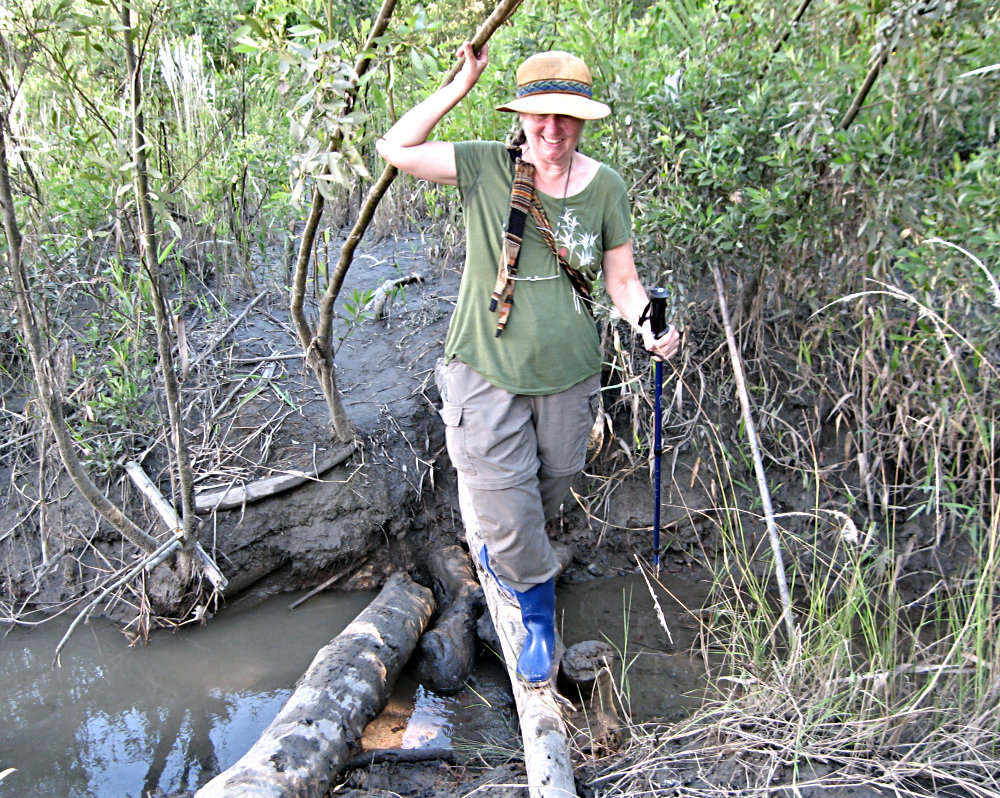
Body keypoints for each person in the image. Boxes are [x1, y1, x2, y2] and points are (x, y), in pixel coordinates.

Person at [376, 43, 680, 686]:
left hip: (569, 371)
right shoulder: (487, 166)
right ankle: (538, 617)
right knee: (511, 514)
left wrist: (650, 325)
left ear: (583, 121)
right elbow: (396, 149)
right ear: (522, 116)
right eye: (540, 116)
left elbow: (622, 281)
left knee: (558, 477)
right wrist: (458, 86)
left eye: (566, 118)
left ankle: (505, 542)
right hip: (484, 367)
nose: (552, 130)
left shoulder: (605, 187)